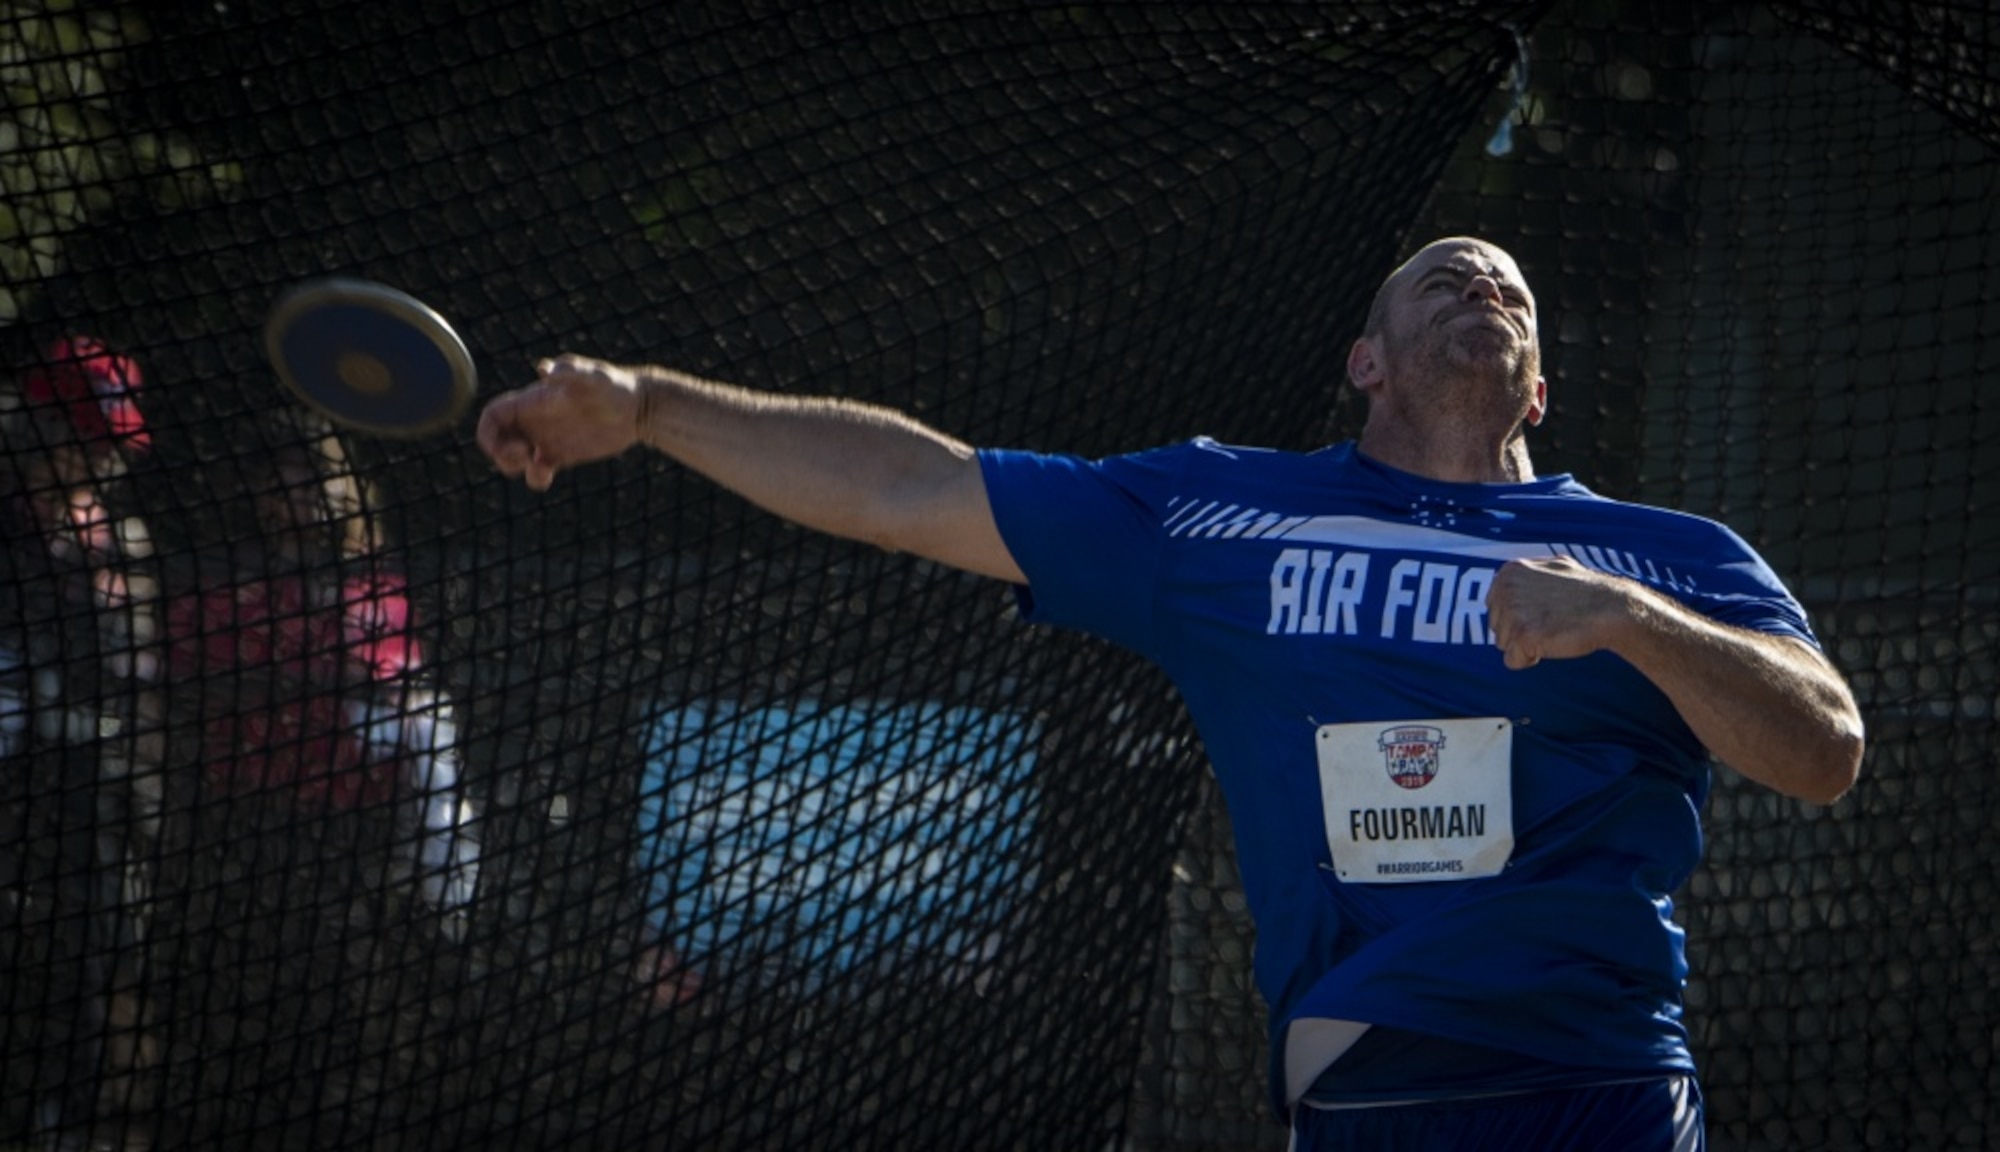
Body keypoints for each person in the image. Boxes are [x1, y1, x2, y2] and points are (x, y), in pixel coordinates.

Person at [474, 237, 1864, 1150]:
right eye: (1437, 277)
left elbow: (1824, 748)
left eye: (1504, 287)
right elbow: (913, 488)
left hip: (1607, 1084)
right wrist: (653, 407)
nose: (1477, 285)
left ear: (1541, 389)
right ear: (1366, 362)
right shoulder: (1218, 516)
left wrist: (1633, 623)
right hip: (1377, 1076)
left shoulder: (1672, 558)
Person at [162, 427, 479, 930]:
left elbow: (395, 675)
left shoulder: (372, 581)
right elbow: (195, 667)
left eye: (323, 475)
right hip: (246, 810)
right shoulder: (227, 575)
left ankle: (446, 897)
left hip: (349, 821)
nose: (311, 489)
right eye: (295, 472)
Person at [1, 336, 164, 1149]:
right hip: (15, 791)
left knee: (101, 963)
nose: (99, 465)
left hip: (97, 796)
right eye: (84, 443)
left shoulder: (118, 541)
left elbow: (139, 685)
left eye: (108, 449)